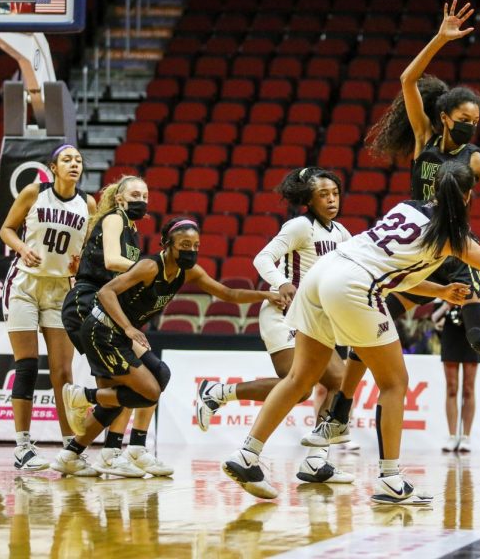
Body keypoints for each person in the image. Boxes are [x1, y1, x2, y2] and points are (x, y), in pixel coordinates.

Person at [302, 0, 480, 449]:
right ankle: (338, 415)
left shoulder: (476, 160)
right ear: (444, 118)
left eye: (475, 122)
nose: (469, 128)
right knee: (373, 320)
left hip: (455, 248)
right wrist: (440, 38)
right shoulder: (423, 139)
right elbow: (407, 79)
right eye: (462, 121)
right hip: (416, 248)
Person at [220, 161, 480, 505]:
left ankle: (246, 454)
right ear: (468, 196)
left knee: (301, 377)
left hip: (321, 274)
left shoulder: (407, 206)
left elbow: (396, 266)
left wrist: (440, 291)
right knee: (395, 382)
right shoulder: (452, 235)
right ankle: (390, 478)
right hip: (352, 285)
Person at [51, 217, 283, 476]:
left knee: (157, 378)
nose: (191, 250)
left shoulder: (189, 272)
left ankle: (71, 454)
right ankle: (83, 397)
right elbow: (106, 292)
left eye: (196, 245)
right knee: (148, 392)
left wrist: (265, 294)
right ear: (167, 245)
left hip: (119, 334)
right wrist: (129, 327)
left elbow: (228, 294)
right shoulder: (150, 266)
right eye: (185, 244)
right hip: (102, 330)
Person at [194, 167, 353, 483]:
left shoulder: (341, 234)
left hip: (314, 320)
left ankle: (316, 461)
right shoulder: (300, 226)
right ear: (309, 198)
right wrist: (281, 283)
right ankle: (219, 395)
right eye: (324, 194)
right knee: (300, 385)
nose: (332, 199)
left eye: (335, 193)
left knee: (337, 381)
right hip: (284, 313)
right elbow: (263, 258)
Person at [61, 174, 171, 478]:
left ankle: (95, 452)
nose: (142, 199)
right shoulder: (114, 218)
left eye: (146, 195)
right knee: (130, 386)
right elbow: (111, 260)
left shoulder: (131, 229)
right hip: (87, 305)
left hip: (107, 307)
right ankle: (110, 450)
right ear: (120, 198)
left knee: (154, 376)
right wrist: (153, 269)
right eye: (135, 193)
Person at [0, 144, 96, 471]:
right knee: (26, 366)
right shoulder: (33, 192)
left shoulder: (88, 203)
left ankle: (70, 447)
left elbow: (91, 247)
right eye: (67, 160)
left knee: (63, 373)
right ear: (53, 167)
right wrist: (23, 248)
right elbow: (6, 229)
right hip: (24, 286)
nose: (74, 164)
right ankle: (23, 447)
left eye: (78, 160)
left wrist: (84, 261)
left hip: (60, 290)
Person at [432, 302, 479, 453]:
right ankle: (452, 436)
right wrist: (447, 304)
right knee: (451, 387)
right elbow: (434, 317)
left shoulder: (479, 285)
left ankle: (466, 436)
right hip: (450, 335)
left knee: (468, 388)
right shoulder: (444, 286)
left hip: (472, 335)